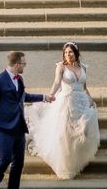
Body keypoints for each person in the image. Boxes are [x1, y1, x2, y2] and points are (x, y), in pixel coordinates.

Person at [0, 50, 54, 189]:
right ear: (16, 64)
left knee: (19, 163)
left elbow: (23, 96)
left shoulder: (19, 79)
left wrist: (44, 97)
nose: (25, 66)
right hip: (3, 128)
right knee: (6, 159)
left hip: (19, 127)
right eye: (24, 64)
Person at [25, 42, 100, 179]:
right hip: (67, 101)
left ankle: (79, 160)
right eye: (65, 52)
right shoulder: (61, 66)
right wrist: (50, 95)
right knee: (65, 134)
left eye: (70, 52)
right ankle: (67, 165)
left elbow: (84, 87)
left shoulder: (83, 67)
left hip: (82, 102)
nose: (67, 55)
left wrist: (90, 99)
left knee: (83, 131)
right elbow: (57, 82)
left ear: (76, 53)